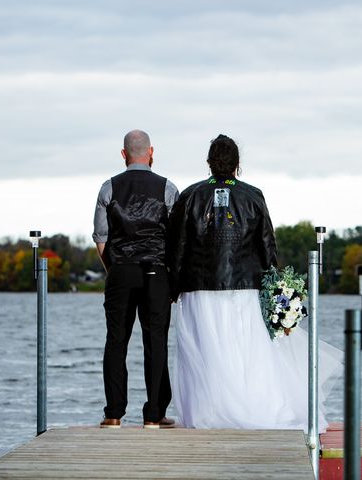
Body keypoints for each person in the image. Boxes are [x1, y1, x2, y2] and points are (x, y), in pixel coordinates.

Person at [167, 134, 342, 431]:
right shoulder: (253, 195)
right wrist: (275, 289)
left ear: (209, 162)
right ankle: (252, 406)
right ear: (238, 163)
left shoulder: (190, 195)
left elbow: (177, 246)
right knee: (246, 352)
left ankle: (208, 412)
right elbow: (267, 246)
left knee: (206, 352)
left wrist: (173, 287)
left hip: (199, 287)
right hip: (246, 286)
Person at [92, 129, 178, 429]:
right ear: (151, 152)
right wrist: (172, 279)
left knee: (116, 341)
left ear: (123, 153)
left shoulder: (108, 188)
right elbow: (177, 239)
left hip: (121, 271)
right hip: (157, 272)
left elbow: (101, 240)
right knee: (156, 342)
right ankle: (154, 415)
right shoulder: (168, 188)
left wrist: (113, 269)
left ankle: (114, 413)